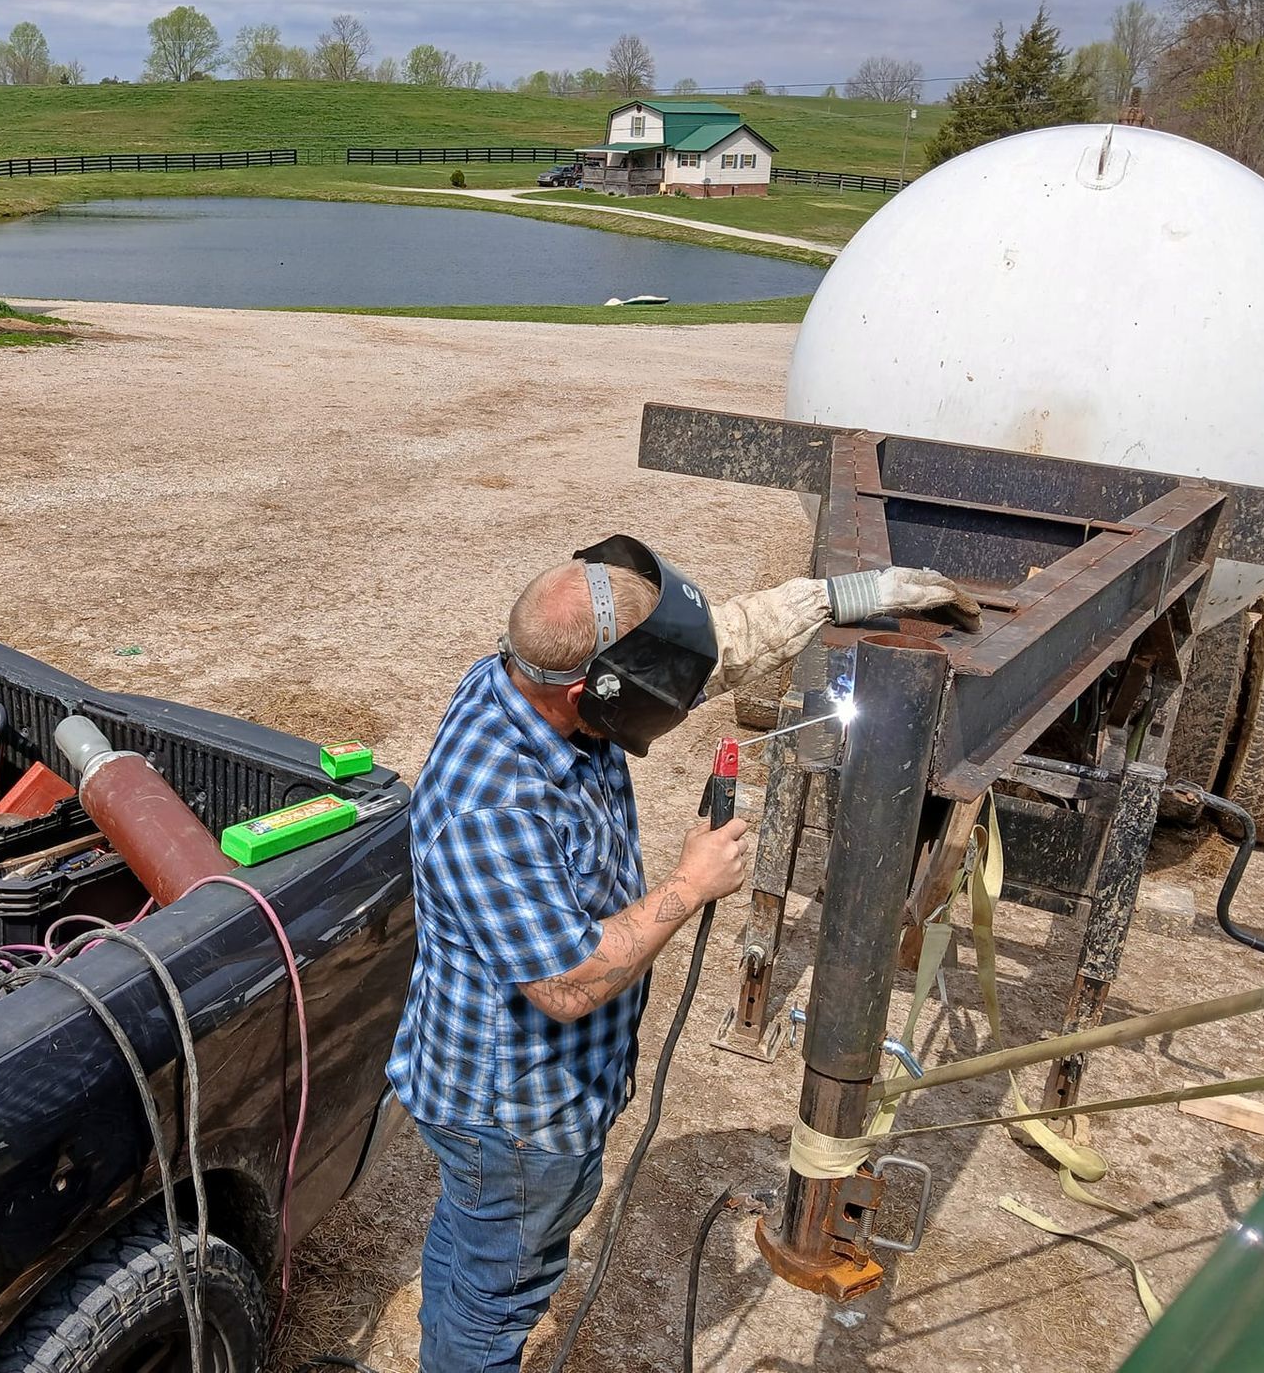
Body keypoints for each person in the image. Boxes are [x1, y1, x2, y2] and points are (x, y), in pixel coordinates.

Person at [385, 536, 977, 1373]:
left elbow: (715, 648)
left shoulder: (530, 673)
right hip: (511, 1113)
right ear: (595, 689)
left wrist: (850, 594)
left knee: (476, 1245)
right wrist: (688, 886)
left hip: (508, 1103)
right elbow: (565, 982)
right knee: (501, 1292)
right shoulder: (494, 803)